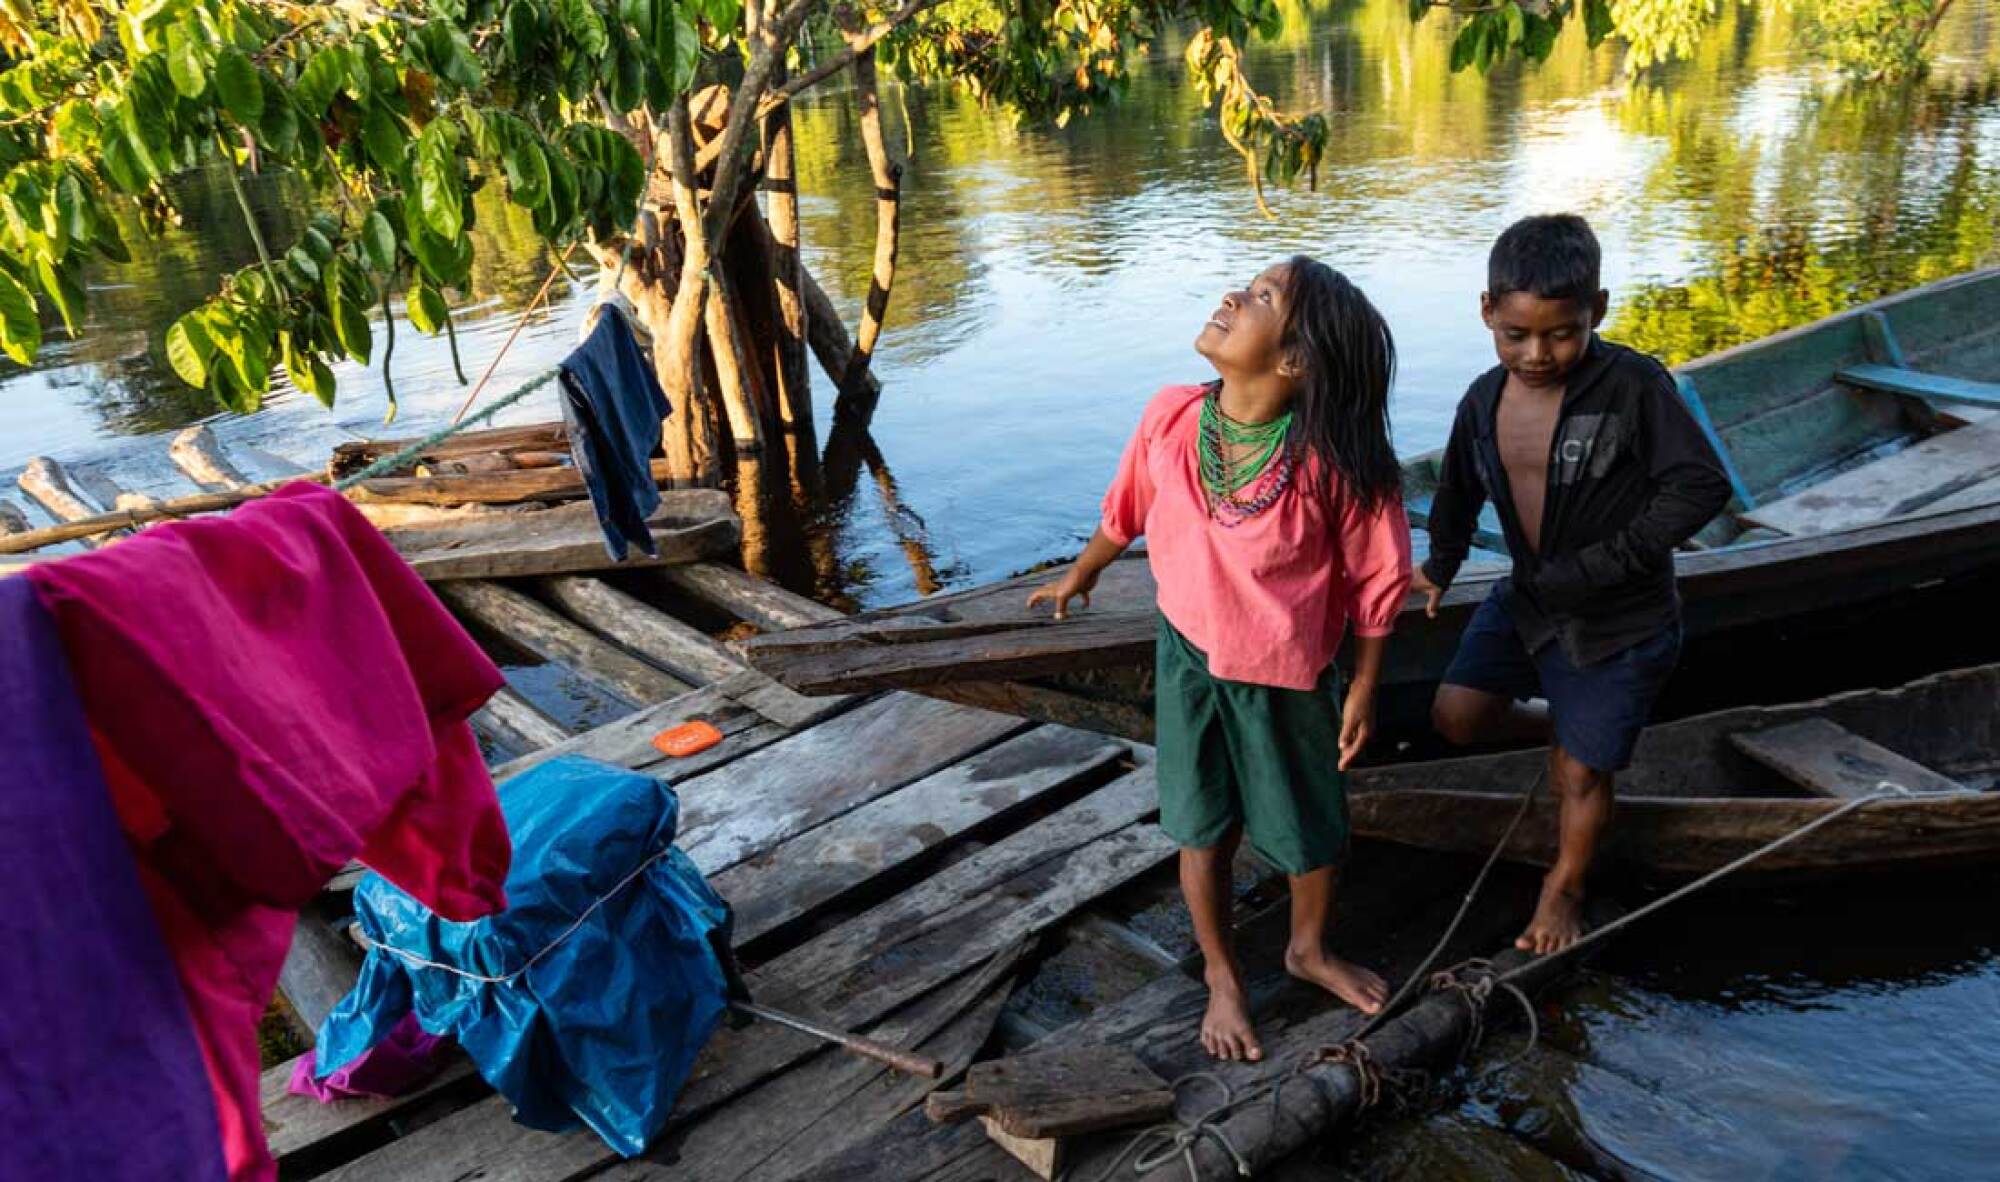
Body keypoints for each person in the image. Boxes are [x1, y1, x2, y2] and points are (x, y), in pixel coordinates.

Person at [1028, 257, 1412, 1062]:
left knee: (1307, 824)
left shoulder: (1331, 463)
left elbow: (1380, 581)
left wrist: (1365, 688)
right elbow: (1126, 505)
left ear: (1294, 361)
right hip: (1188, 659)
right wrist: (1081, 572)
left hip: (1286, 674)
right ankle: (1222, 976)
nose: (1235, 296)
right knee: (1199, 823)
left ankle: (1306, 949)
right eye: (1248, 285)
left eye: (1263, 297)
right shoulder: (1172, 416)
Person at [1411, 214, 1733, 955]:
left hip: (1620, 616)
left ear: (1600, 311)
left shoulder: (1632, 386)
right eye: (1516, 334)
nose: (1537, 353)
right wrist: (1441, 564)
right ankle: (1581, 728)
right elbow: (1457, 487)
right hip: (1528, 598)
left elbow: (1697, 486)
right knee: (1458, 716)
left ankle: (1565, 887)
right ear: (1488, 310)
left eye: (1561, 333)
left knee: (1581, 775)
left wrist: (1602, 565)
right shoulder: (1482, 400)